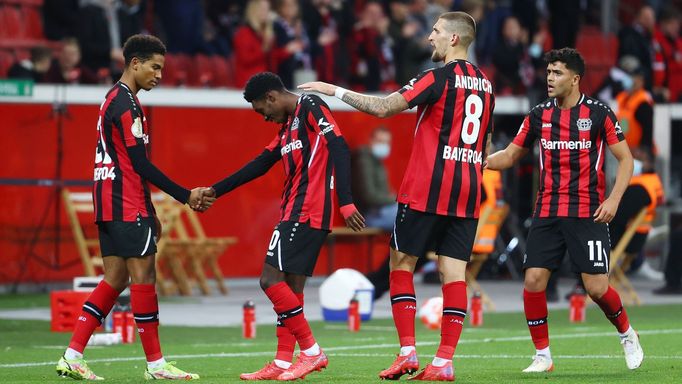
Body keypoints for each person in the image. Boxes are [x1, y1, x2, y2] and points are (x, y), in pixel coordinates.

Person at [300, 11, 494, 381]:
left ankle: (407, 352)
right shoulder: (486, 84)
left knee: (401, 264)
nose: (429, 38)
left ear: (453, 39)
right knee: (453, 273)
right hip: (468, 188)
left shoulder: (436, 78)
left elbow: (385, 108)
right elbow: (485, 144)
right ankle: (443, 363)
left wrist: (333, 90)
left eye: (435, 32)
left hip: (427, 187)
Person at [55, 34, 213, 381]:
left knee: (115, 278)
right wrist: (184, 195)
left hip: (110, 204)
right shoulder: (126, 105)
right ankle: (156, 365)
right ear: (135, 63)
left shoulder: (112, 98)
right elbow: (140, 164)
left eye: (162, 68)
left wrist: (151, 208)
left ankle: (72, 355)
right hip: (126, 205)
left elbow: (127, 161)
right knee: (144, 278)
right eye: (154, 67)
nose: (159, 74)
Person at [485, 47, 643, 373]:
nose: (550, 79)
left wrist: (613, 200)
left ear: (575, 78)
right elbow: (511, 155)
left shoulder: (599, 113)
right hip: (548, 209)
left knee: (596, 287)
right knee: (533, 280)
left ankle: (627, 334)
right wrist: (483, 160)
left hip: (588, 210)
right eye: (548, 73)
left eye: (557, 73)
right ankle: (543, 355)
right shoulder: (539, 114)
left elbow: (626, 159)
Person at [205, 72, 365, 381]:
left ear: (271, 98)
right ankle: (282, 362)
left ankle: (311, 351)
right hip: (295, 210)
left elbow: (340, 147)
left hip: (306, 210)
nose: (263, 117)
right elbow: (260, 164)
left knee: (269, 279)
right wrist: (215, 190)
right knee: (291, 288)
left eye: (261, 110)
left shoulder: (311, 107)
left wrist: (346, 201)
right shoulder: (287, 127)